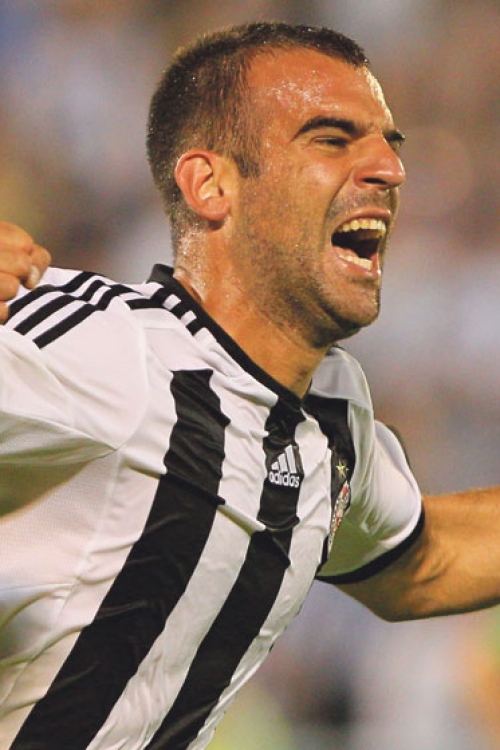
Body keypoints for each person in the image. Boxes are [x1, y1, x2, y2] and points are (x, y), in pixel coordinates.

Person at [0, 21, 499, 750]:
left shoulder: (329, 415)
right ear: (211, 186)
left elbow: (423, 562)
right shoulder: (93, 347)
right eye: (331, 139)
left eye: (388, 144)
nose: (389, 169)